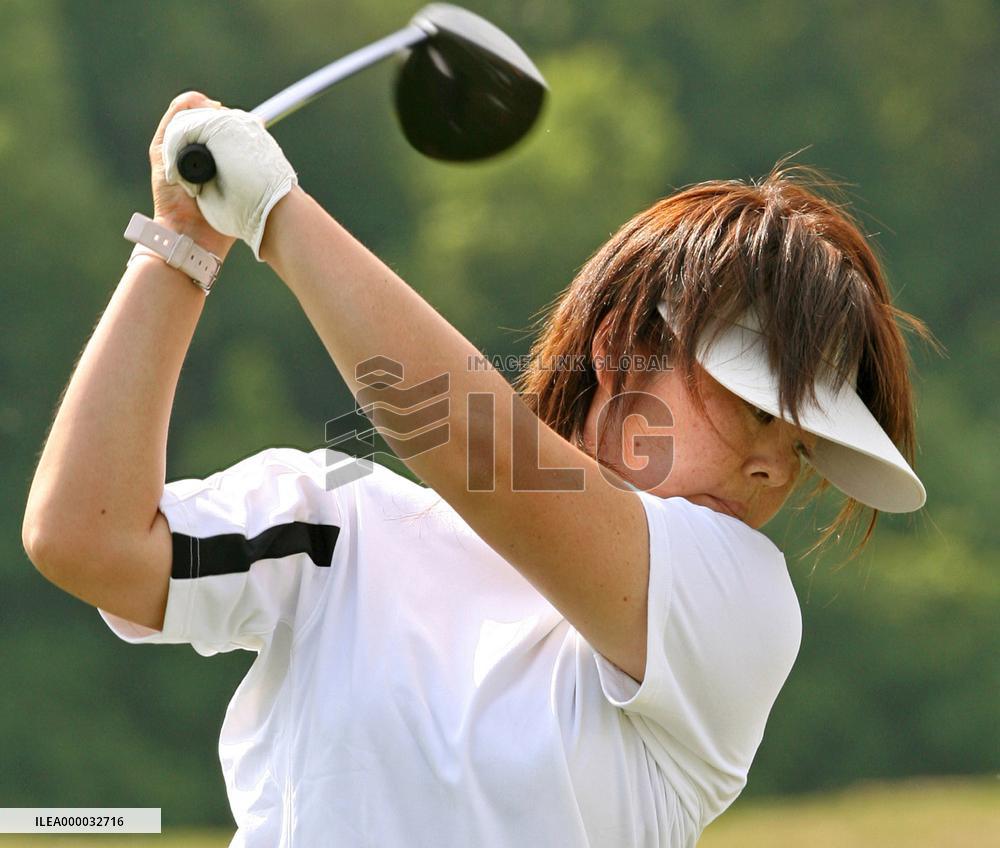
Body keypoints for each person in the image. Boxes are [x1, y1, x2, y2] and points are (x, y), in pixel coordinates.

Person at [22, 92, 927, 847]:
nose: (773, 470)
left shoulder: (742, 600)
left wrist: (274, 213)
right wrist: (179, 244)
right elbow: (84, 539)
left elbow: (476, 448)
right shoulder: (335, 525)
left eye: (801, 447)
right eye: (758, 411)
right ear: (620, 345)